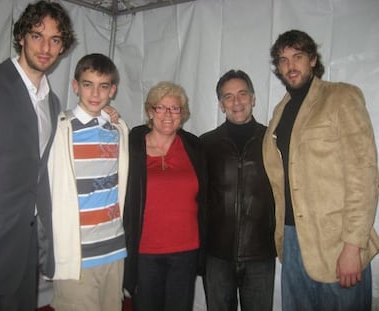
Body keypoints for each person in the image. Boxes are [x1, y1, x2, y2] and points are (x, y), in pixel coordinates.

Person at [0, 1, 74, 310]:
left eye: (55, 40)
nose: (46, 47)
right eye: (37, 35)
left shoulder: (52, 103)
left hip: (24, 255)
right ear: (21, 37)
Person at [262, 29, 379, 311]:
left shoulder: (341, 97)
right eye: (283, 60)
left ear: (312, 59)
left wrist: (353, 245)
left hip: (336, 241)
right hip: (291, 238)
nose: (290, 66)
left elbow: (364, 175)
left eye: (298, 57)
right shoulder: (280, 111)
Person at [47, 53, 128, 311]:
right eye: (87, 84)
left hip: (114, 248)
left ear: (112, 90)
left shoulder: (117, 129)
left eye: (103, 86)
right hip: (76, 252)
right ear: (75, 86)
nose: (95, 93)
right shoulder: (59, 128)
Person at [123, 81, 206, 311]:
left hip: (186, 251)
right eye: (161, 108)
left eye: (175, 108)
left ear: (183, 114)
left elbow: (206, 199)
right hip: (145, 251)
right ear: (150, 111)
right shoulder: (132, 147)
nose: (168, 114)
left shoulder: (194, 147)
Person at [200, 69, 276, 311]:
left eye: (242, 94)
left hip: (260, 253)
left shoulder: (272, 141)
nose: (237, 102)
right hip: (216, 255)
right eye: (229, 96)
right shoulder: (205, 144)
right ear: (221, 104)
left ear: (253, 98)